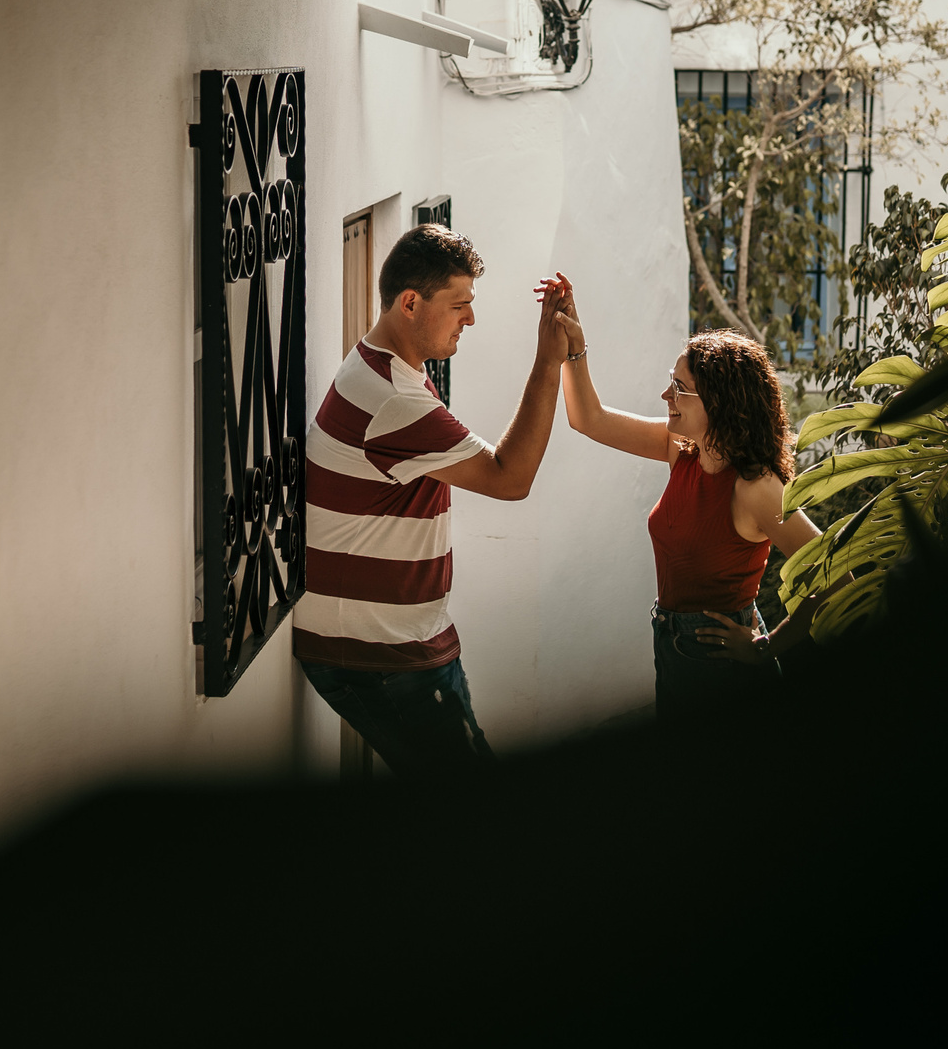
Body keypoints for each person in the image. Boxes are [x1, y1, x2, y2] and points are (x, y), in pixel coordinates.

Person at [294, 224, 569, 777]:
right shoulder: (393, 398)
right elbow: (510, 477)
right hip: (380, 656)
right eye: (460, 305)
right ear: (411, 302)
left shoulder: (385, 367)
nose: (471, 319)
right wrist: (548, 359)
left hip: (396, 644)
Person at [549, 287, 823, 726]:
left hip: (721, 664)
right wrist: (574, 348)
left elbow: (835, 576)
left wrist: (766, 645)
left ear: (720, 401)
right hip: (673, 648)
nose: (665, 395)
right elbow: (589, 419)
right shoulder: (684, 450)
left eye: (680, 387)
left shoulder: (755, 488)